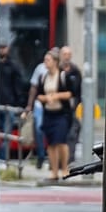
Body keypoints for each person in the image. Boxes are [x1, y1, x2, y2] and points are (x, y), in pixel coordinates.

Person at [37, 51, 75, 180]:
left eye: (48, 60)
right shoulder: (43, 77)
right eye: (45, 60)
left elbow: (70, 93)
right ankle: (54, 171)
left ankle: (64, 168)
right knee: (51, 143)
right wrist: (46, 98)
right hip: (48, 113)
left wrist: (56, 96)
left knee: (61, 140)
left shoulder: (63, 76)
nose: (45, 62)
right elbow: (39, 95)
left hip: (61, 114)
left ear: (55, 61)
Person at [0, 42, 29, 158]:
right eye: (0, 47)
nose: (2, 50)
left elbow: (18, 85)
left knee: (6, 134)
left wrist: (19, 102)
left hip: (9, 105)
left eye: (4, 48)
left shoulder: (13, 66)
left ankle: (3, 158)